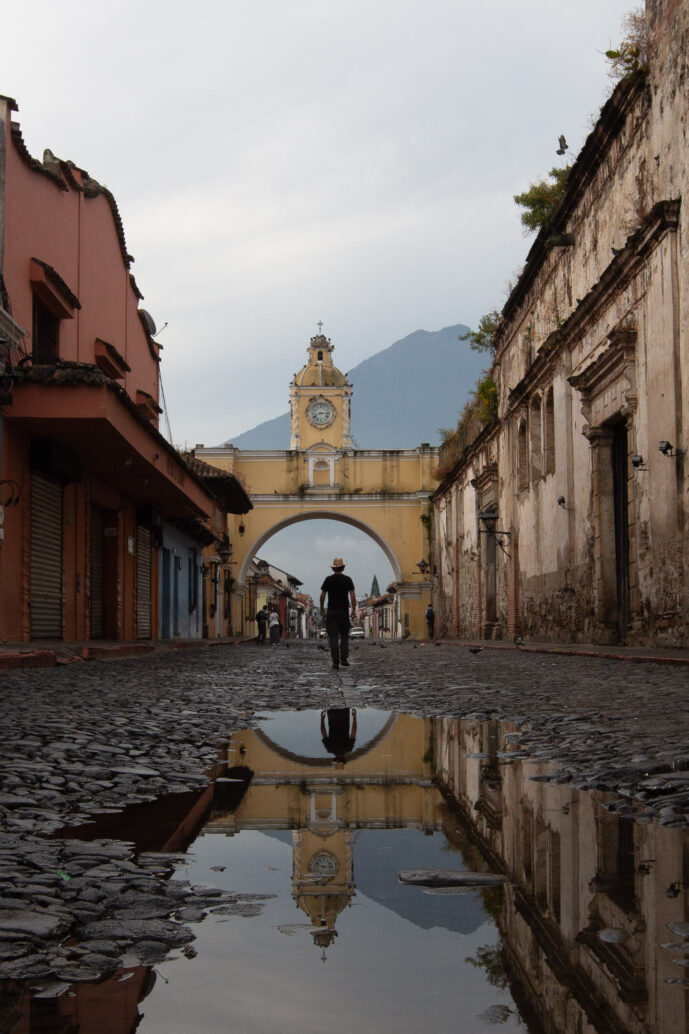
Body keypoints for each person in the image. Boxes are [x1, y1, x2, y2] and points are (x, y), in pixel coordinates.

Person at [319, 557, 356, 670]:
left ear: (333, 568)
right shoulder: (348, 579)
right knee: (344, 636)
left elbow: (323, 595)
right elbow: (352, 595)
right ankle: (344, 659)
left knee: (333, 637)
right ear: (343, 568)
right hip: (343, 613)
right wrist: (353, 609)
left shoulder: (328, 579)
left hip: (331, 613)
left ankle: (335, 662)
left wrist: (321, 608)